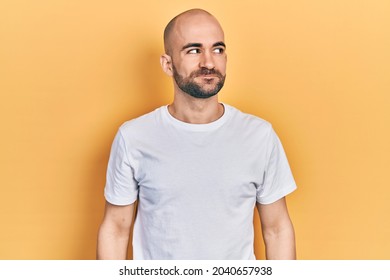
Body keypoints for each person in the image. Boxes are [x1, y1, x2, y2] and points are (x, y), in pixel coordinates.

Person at [97, 8, 297, 260]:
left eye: (218, 49)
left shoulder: (259, 136)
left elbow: (277, 229)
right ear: (167, 64)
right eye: (194, 50)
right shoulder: (134, 137)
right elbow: (115, 230)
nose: (209, 62)